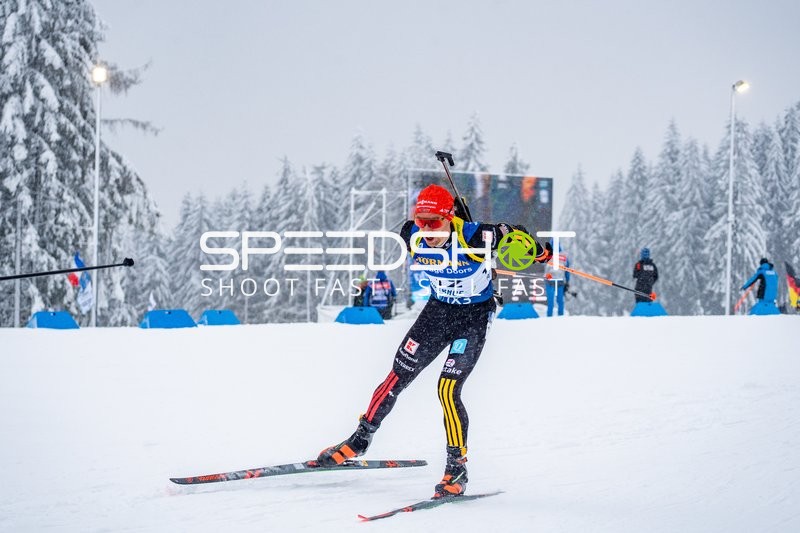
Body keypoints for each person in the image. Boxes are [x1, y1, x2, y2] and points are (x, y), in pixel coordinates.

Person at [317, 184, 551, 498]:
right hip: (438, 312)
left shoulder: (478, 236)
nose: (426, 231)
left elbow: (517, 235)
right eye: (421, 221)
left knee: (447, 389)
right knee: (397, 376)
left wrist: (540, 252)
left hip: (473, 317)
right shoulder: (410, 233)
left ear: (449, 217)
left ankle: (457, 468)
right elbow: (414, 232)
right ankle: (359, 440)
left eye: (434, 222)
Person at [544, 243, 570, 316]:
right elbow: (567, 270)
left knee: (550, 301)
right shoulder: (564, 257)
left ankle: (549, 317)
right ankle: (560, 316)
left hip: (549, 281)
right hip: (559, 280)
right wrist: (567, 281)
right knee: (560, 301)